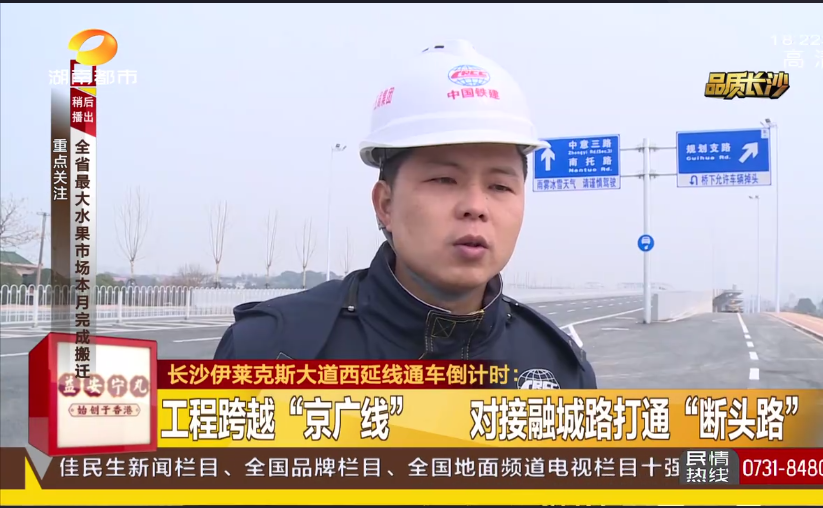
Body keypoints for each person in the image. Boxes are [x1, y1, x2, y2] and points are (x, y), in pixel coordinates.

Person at [214, 40, 597, 389]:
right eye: (444, 180)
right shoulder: (271, 352)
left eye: (499, 186)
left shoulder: (558, 371)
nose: (476, 207)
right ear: (385, 204)